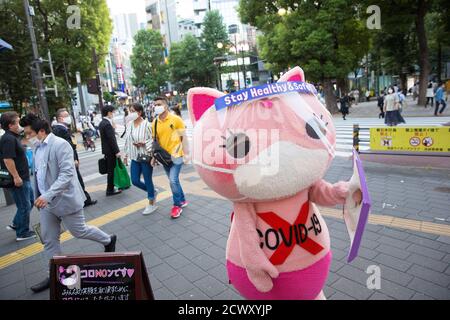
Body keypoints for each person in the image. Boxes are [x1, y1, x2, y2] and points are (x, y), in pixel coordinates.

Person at [19, 113, 117, 293]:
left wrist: (47, 195)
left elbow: (66, 175)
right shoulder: (38, 147)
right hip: (47, 204)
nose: (27, 138)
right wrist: (39, 195)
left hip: (65, 200)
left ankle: (108, 239)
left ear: (41, 131)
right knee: (49, 239)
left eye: (29, 133)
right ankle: (54, 274)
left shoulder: (60, 145)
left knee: (78, 231)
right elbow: (39, 175)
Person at [0, 112, 36, 241]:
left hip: (23, 177)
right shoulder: (8, 139)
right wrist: (16, 177)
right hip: (18, 179)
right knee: (24, 205)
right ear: (10, 125)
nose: (20, 124)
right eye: (18, 121)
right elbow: (8, 159)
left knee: (30, 202)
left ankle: (16, 223)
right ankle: (22, 232)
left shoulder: (13, 137)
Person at [152, 96, 189, 219]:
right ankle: (183, 199)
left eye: (159, 104)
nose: (156, 106)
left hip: (176, 155)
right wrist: (153, 157)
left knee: (173, 180)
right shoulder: (155, 122)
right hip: (164, 157)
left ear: (166, 106)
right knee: (174, 181)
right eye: (155, 105)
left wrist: (186, 153)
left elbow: (183, 136)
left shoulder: (176, 119)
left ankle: (177, 206)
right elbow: (155, 141)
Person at [52, 108, 97, 208]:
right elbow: (67, 146)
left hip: (68, 159)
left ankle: (83, 199)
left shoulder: (60, 129)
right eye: (66, 116)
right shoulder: (60, 130)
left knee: (75, 180)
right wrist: (73, 159)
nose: (69, 118)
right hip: (69, 160)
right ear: (60, 118)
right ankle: (85, 200)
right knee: (77, 180)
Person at [123, 103, 157, 215]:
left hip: (145, 156)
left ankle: (152, 203)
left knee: (148, 179)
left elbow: (153, 140)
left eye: (133, 111)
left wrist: (144, 143)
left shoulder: (147, 124)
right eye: (130, 111)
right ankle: (152, 191)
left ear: (139, 112)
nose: (131, 113)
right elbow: (127, 140)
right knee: (135, 181)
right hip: (134, 157)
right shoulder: (129, 125)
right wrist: (125, 155)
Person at [98, 105, 122, 196]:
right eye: (113, 112)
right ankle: (110, 189)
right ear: (109, 113)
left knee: (110, 170)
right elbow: (111, 139)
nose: (113, 114)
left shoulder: (102, 123)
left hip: (106, 150)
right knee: (111, 170)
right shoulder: (107, 124)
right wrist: (117, 151)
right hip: (111, 151)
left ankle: (110, 188)